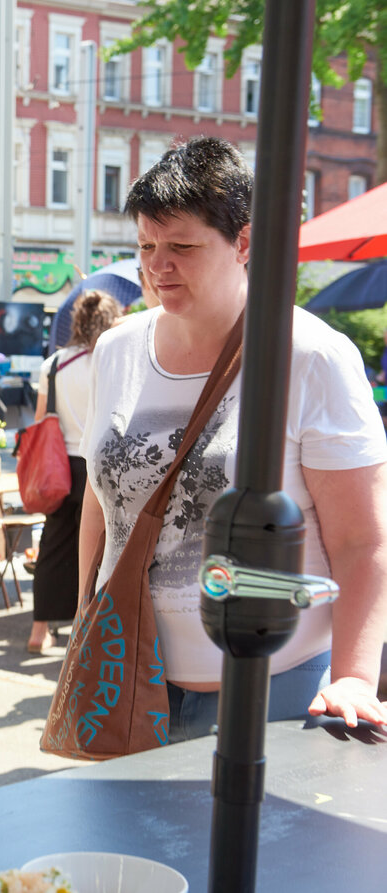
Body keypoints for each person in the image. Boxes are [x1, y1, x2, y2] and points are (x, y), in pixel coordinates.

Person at [80, 136, 387, 742]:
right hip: (129, 680)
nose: (156, 265)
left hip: (278, 692)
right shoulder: (116, 349)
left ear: (244, 242)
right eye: (145, 245)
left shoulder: (310, 356)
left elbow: (362, 540)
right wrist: (83, 619)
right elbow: (101, 501)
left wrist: (354, 676)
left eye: (182, 247)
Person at [27, 290, 121, 654]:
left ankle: (40, 630)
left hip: (59, 466)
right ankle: (88, 628)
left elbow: (40, 419)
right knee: (103, 547)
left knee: (53, 544)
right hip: (99, 465)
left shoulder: (53, 364)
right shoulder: (108, 361)